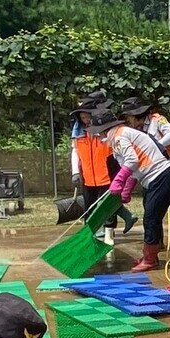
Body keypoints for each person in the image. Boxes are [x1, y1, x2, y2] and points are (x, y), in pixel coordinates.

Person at [88, 107, 170, 272]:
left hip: (162, 176)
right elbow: (135, 165)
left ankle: (150, 259)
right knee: (151, 217)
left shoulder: (119, 135)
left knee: (151, 218)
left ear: (104, 129)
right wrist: (127, 188)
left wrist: (118, 180)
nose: (98, 135)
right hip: (158, 177)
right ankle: (149, 255)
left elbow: (132, 160)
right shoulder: (119, 135)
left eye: (98, 131)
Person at [120, 97, 170, 253]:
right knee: (151, 209)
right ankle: (157, 241)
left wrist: (155, 146)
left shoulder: (157, 120)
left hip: (169, 170)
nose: (128, 120)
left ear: (138, 114)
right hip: (148, 174)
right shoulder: (132, 130)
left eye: (129, 116)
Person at [70, 94, 137, 244]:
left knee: (106, 206)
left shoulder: (104, 132)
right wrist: (75, 172)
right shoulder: (79, 134)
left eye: (87, 117)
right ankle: (92, 234)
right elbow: (75, 152)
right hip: (88, 176)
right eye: (82, 117)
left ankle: (109, 235)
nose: (85, 120)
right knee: (90, 207)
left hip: (106, 174)